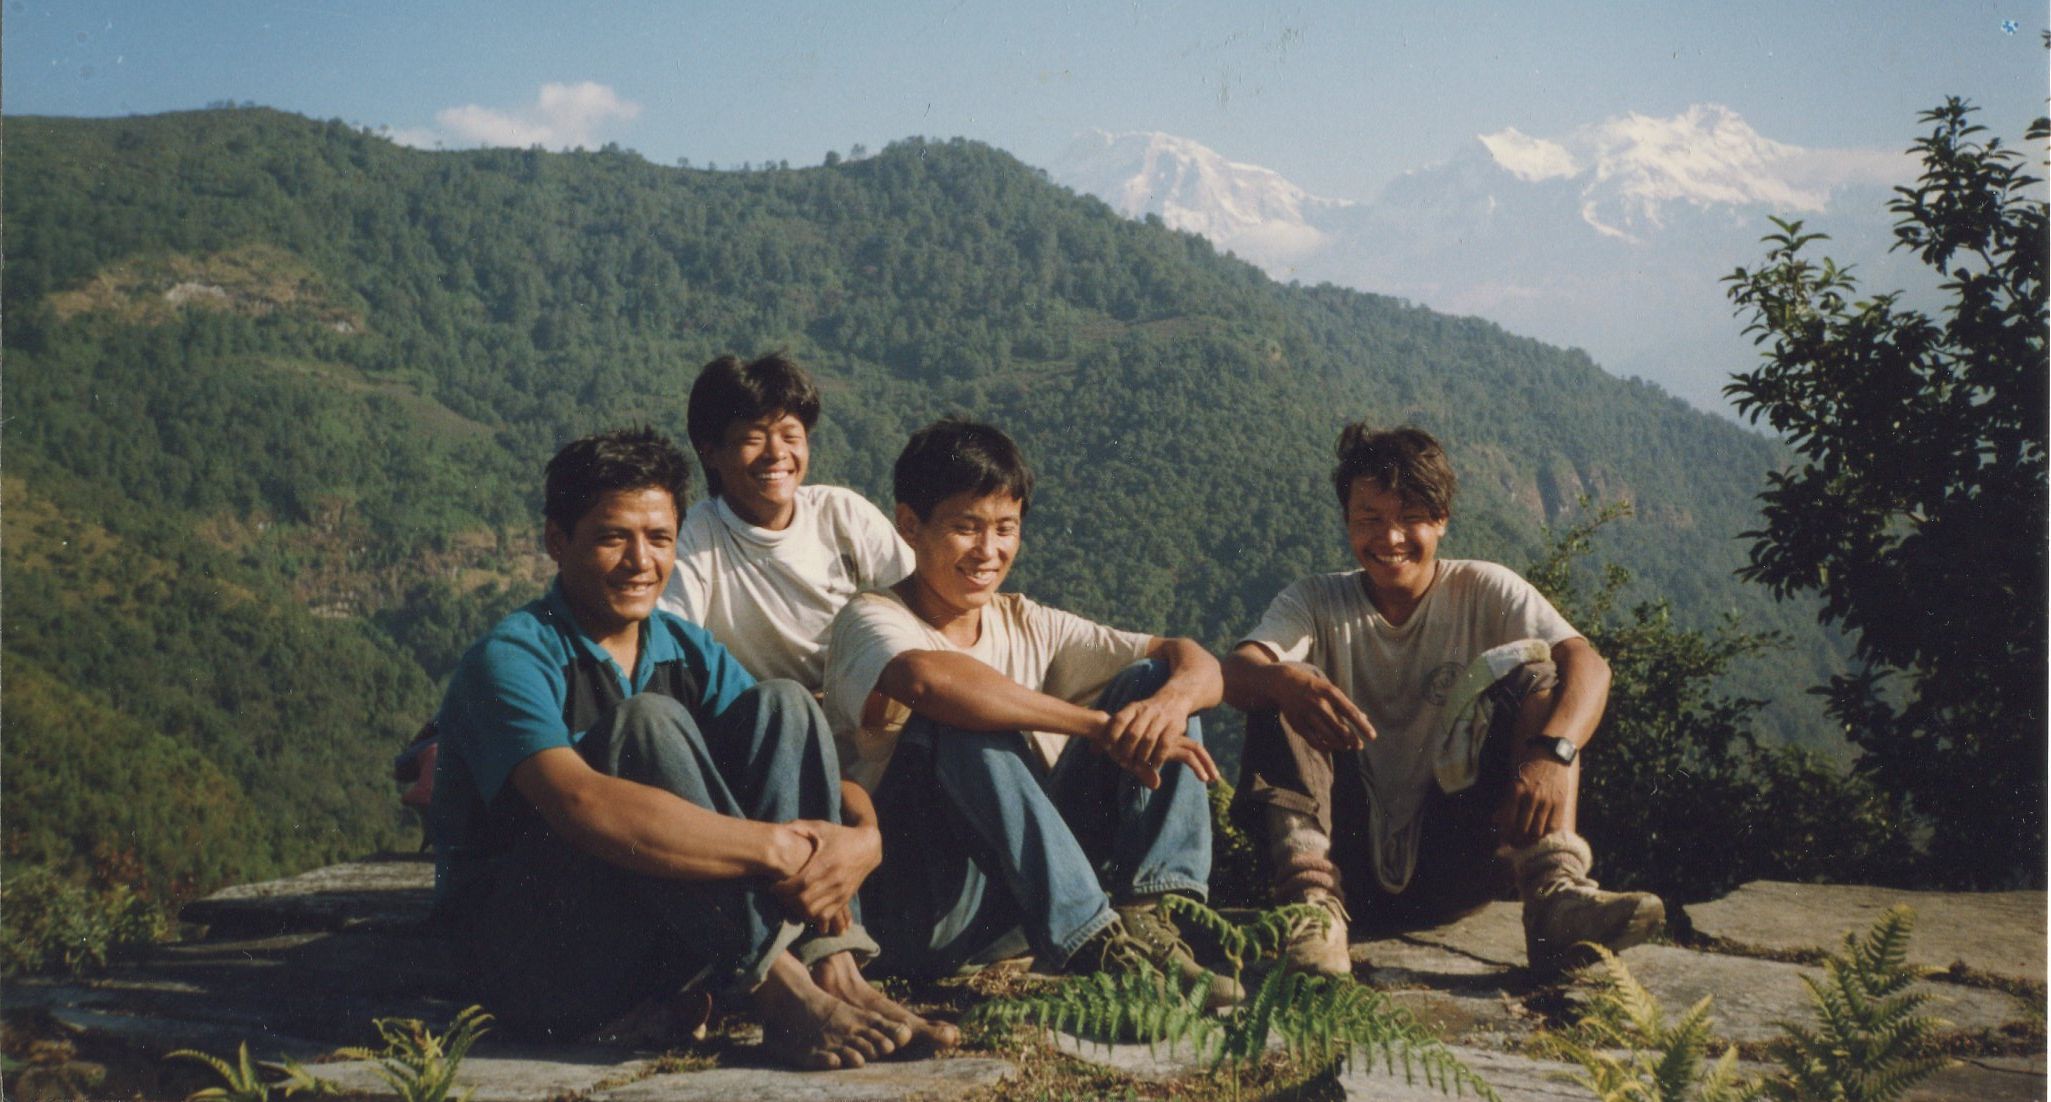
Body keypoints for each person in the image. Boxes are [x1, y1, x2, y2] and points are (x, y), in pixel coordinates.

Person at [429, 427, 953, 1064]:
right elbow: (580, 803)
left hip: (648, 928)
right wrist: (776, 850)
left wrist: (862, 839)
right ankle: (780, 990)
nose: (640, 562)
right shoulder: (512, 659)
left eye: (659, 539)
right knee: (645, 726)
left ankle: (832, 972)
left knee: (784, 705)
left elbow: (798, 759)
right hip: (533, 961)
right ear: (556, 542)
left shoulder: (681, 646)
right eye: (611, 537)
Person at [821, 418, 1240, 1008]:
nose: (988, 551)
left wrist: (1168, 703)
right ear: (910, 526)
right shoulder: (871, 618)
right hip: (917, 909)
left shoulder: (1027, 621)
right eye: (965, 528)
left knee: (1154, 683)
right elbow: (929, 680)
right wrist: (1098, 727)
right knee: (952, 720)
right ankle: (1097, 947)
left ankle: (1151, 918)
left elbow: (1194, 661)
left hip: (1014, 900)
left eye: (1005, 528)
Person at [1225, 424, 1663, 976]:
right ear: (1347, 522)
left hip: (1458, 857)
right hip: (1343, 862)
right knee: (1279, 679)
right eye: (1370, 520)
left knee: (1535, 672)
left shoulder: (1485, 589)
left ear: (1441, 521)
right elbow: (1237, 671)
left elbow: (1589, 666)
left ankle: (1555, 895)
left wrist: (1555, 753)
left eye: (1410, 518)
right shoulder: (1315, 601)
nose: (1390, 539)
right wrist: (1284, 682)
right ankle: (1312, 916)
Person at [658, 353, 913, 687]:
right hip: (759, 715)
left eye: (791, 436)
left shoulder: (842, 514)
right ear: (710, 451)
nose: (776, 453)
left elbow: (922, 602)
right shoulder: (695, 539)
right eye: (754, 438)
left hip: (851, 707)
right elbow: (673, 646)